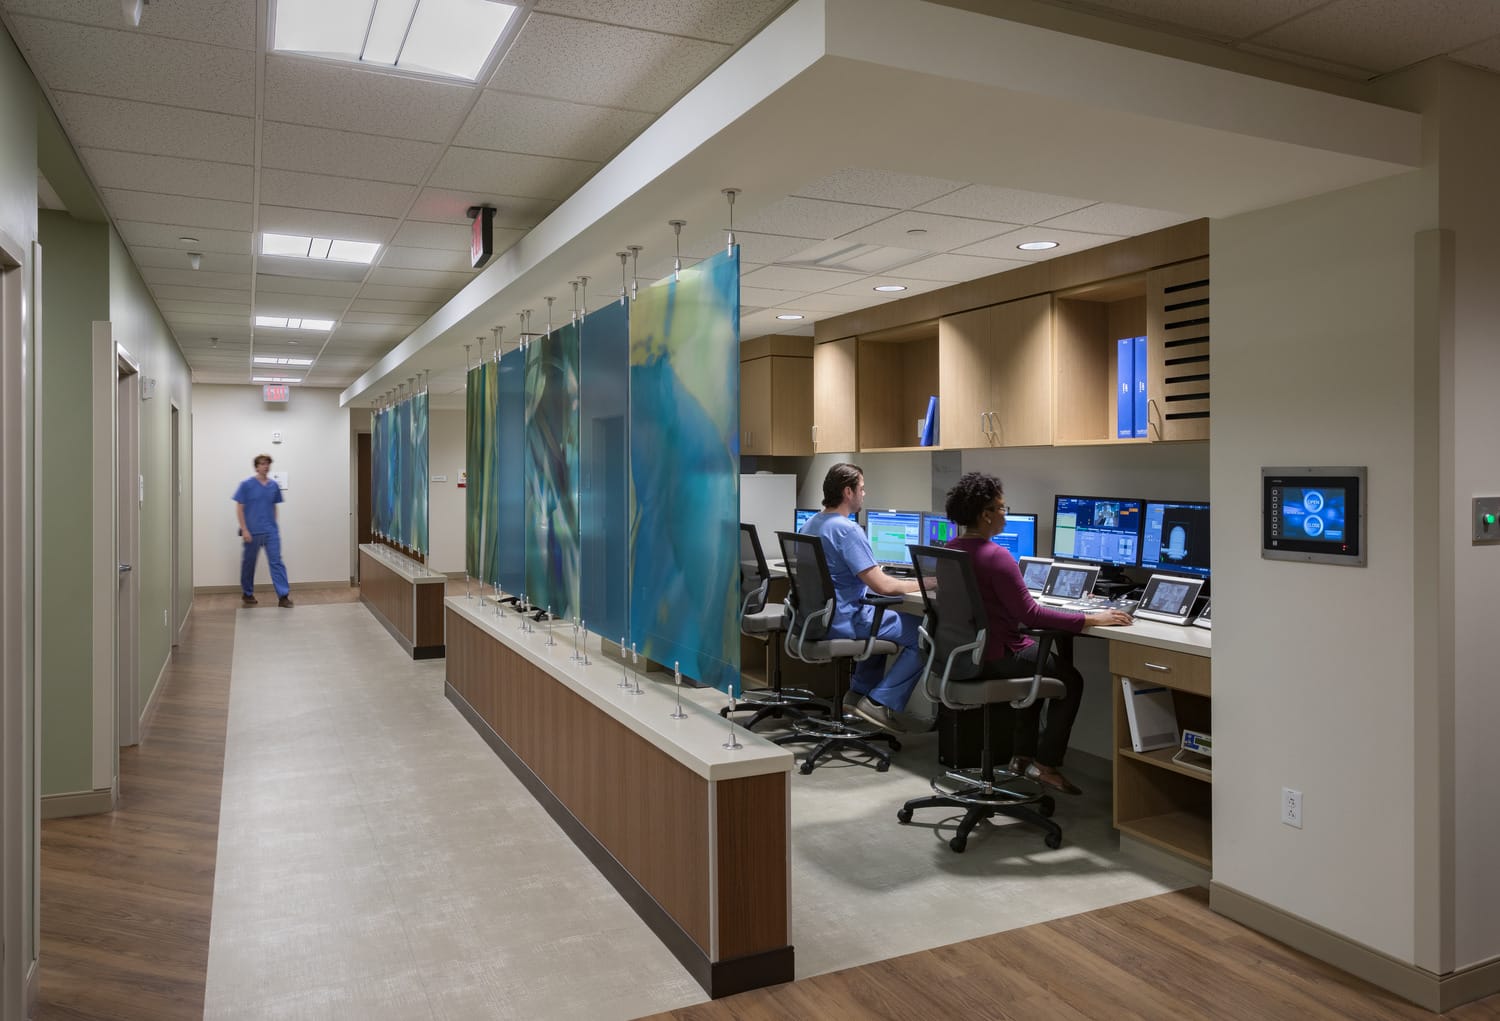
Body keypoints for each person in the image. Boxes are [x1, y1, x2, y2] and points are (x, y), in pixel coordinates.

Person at [943, 472, 1130, 795]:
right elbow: (1030, 614)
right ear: (985, 514)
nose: (1005, 513)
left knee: (1036, 664)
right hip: (996, 655)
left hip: (962, 656)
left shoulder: (951, 550)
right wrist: (1091, 618)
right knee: (1069, 680)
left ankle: (1021, 756)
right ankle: (1045, 765)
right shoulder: (997, 557)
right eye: (1002, 508)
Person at [799, 463, 925, 733]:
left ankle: (857, 696)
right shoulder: (848, 530)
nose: (864, 494)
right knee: (925, 634)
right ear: (848, 492)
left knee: (883, 624)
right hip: (844, 620)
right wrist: (928, 582)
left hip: (817, 618)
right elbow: (884, 586)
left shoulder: (811, 524)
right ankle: (880, 701)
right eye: (862, 488)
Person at [234, 454, 293, 608]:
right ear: (256, 467)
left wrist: (273, 525)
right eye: (262, 464)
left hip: (270, 532)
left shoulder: (273, 485)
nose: (265, 466)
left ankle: (283, 596)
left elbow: (274, 506)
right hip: (252, 532)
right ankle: (247, 593)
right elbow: (240, 508)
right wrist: (245, 529)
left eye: (267, 463)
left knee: (276, 562)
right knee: (249, 564)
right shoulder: (246, 485)